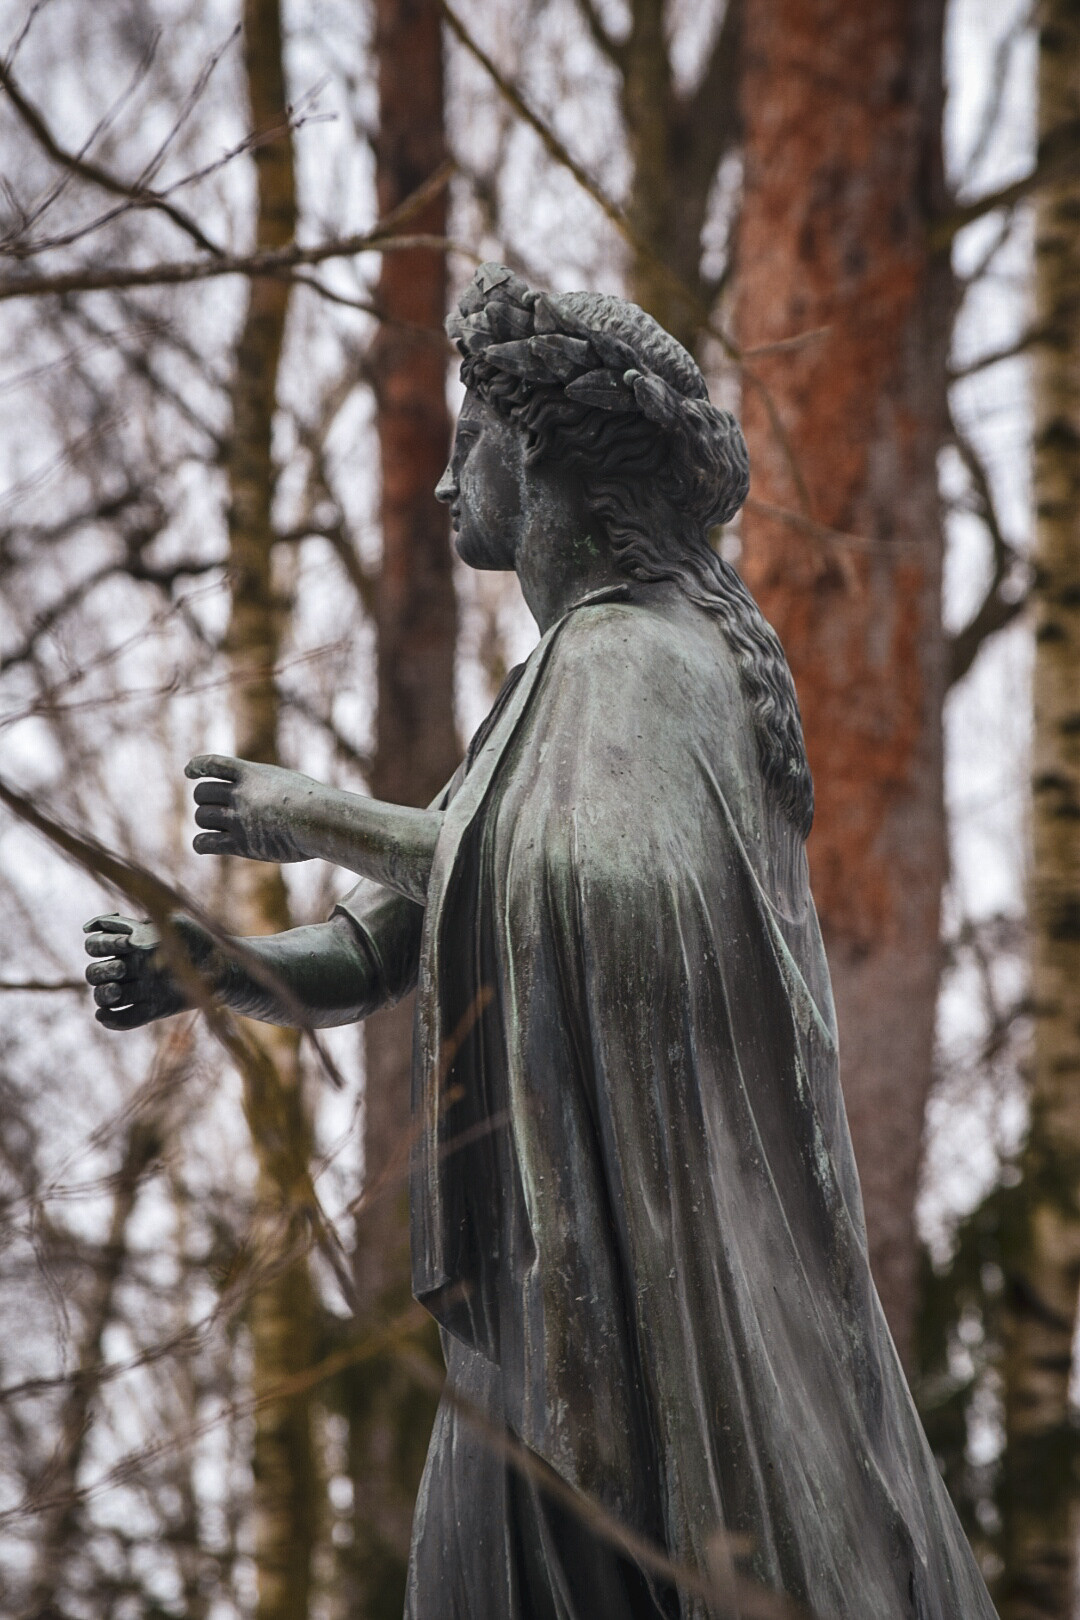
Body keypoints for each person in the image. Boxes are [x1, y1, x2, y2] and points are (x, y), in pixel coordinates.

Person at [84, 264, 996, 1619]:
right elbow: (376, 951)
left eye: (473, 436)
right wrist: (212, 970)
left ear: (551, 454)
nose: (443, 478)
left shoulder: (644, 661)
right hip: (541, 1300)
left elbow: (596, 883)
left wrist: (323, 817)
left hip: (634, 1309)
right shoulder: (545, 693)